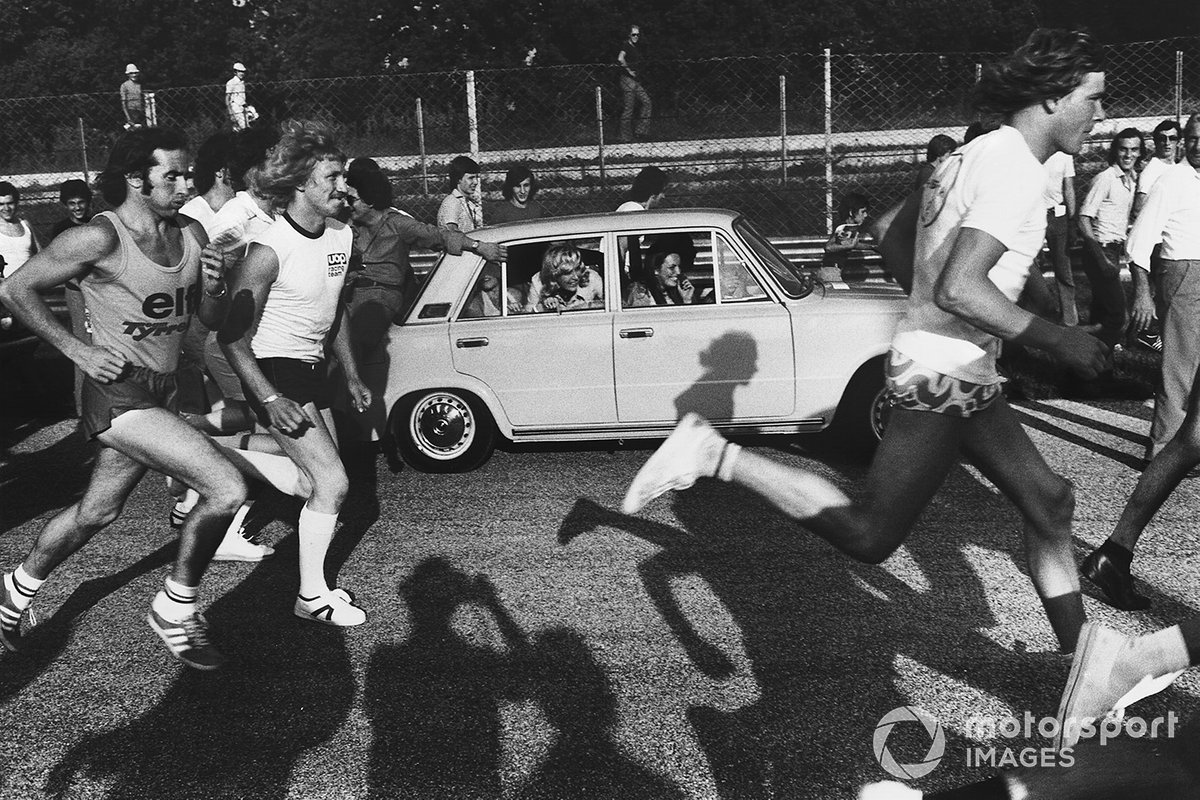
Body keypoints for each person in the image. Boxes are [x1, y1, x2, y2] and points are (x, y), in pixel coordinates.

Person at [622, 28, 1110, 657]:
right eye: (1094, 98)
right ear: (1053, 97)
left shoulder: (970, 154)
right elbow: (962, 287)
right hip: (943, 373)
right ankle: (714, 455)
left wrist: (935, 311)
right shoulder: (1016, 168)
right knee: (870, 534)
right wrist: (1055, 339)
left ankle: (1085, 667)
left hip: (955, 363)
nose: (1102, 115)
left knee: (1050, 501)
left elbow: (887, 232)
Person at [0, 127, 241, 670]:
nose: (184, 185)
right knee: (225, 486)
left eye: (187, 174)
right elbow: (14, 289)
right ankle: (175, 607)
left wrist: (217, 285)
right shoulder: (98, 238)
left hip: (162, 388)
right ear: (135, 180)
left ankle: (13, 591)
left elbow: (209, 320)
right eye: (171, 175)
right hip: (115, 390)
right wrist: (74, 350)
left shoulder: (193, 232)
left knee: (97, 513)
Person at [219, 120, 371, 627]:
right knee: (333, 482)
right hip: (274, 366)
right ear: (302, 183)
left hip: (310, 366)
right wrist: (267, 397)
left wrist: (350, 373)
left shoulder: (341, 235)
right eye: (332, 177)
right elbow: (231, 338)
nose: (343, 187)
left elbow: (335, 309)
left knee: (310, 483)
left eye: (343, 176)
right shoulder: (267, 250)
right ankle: (311, 596)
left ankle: (215, 453)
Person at [1078, 114, 1200, 609]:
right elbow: (1139, 244)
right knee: (1180, 373)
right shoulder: (1172, 179)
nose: (1196, 145)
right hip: (1185, 274)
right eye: (1192, 139)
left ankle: (1116, 550)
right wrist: (1143, 293)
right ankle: (1161, 447)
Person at [345, 166, 505, 359]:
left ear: (369, 200)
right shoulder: (348, 225)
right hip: (351, 294)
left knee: (354, 344)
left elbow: (439, 236)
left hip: (381, 297)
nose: (347, 205)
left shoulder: (398, 224)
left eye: (351, 199)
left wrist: (478, 246)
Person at [1077, 127, 1143, 347]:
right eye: (1123, 149)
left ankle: (1092, 369)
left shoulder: (1132, 180)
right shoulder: (1105, 178)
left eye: (1134, 150)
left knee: (1101, 312)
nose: (1128, 155)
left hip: (1114, 249)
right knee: (1118, 317)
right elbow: (1083, 218)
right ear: (1115, 151)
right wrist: (1101, 259)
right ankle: (1070, 337)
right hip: (1100, 249)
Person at [1129, 119, 1183, 352]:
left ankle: (1144, 335)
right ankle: (1147, 336)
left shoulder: (1178, 167)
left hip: (1174, 239)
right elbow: (1139, 208)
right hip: (1158, 242)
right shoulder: (1153, 170)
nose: (1167, 143)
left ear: (1179, 141)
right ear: (1155, 142)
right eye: (1162, 139)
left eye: (1172, 138)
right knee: (1160, 293)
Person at [51, 179, 95, 416]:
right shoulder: (60, 229)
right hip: (76, 288)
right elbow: (59, 264)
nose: (77, 208)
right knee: (83, 343)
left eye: (81, 203)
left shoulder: (97, 223)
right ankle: (82, 406)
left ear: (88, 203)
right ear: (65, 205)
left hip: (98, 288)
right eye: (72, 204)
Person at [1042, 150, 1078, 325]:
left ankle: (1069, 319)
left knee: (1063, 268)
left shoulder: (1064, 154)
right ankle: (1037, 316)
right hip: (1032, 215)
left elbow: (1068, 187)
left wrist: (1071, 220)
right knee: (1029, 267)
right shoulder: (1034, 146)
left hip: (1057, 215)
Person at [532, 242, 604, 312]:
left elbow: (610, 305)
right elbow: (526, 317)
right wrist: (543, 307)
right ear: (554, 275)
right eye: (567, 273)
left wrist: (589, 306)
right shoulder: (537, 281)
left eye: (577, 269)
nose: (575, 277)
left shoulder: (592, 277)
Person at [616, 25, 651, 142]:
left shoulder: (634, 47)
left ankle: (640, 131)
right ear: (629, 35)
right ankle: (625, 137)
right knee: (629, 108)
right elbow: (620, 58)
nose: (636, 37)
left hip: (635, 81)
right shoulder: (626, 45)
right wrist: (629, 70)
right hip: (627, 80)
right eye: (633, 34)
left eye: (637, 34)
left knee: (647, 102)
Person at [0, 182, 41, 278]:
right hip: (4, 286)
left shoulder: (25, 224)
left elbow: (40, 254)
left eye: (10, 203)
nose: (6, 208)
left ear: (16, 203)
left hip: (29, 283)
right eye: (1, 204)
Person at [625, 250, 694, 307]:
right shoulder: (641, 293)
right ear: (656, 270)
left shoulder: (676, 292)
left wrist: (686, 300)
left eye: (679, 267)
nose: (678, 272)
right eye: (672, 267)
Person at [437, 155, 484, 233]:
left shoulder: (465, 201)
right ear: (458, 179)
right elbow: (451, 235)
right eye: (471, 178)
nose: (476, 182)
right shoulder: (452, 203)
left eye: (476, 177)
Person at [120, 64, 145, 129]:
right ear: (128, 74)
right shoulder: (124, 85)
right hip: (131, 111)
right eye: (131, 73)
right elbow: (123, 102)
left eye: (135, 73)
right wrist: (128, 117)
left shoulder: (139, 85)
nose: (134, 75)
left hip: (140, 111)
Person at [225, 62, 248, 131]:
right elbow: (227, 98)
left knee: (237, 129)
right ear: (235, 72)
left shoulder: (242, 82)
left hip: (243, 108)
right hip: (236, 108)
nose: (242, 73)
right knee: (244, 129)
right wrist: (230, 112)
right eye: (240, 71)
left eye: (243, 72)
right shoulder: (231, 82)